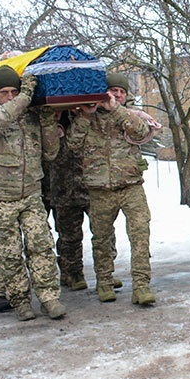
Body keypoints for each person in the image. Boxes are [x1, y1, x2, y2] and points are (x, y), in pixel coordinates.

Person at [0, 65, 66, 321]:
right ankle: (21, 301)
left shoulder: (28, 115)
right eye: (5, 92)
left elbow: (49, 153)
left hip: (30, 193)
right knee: (10, 252)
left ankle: (49, 297)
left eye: (15, 91)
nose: (12, 97)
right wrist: (26, 96)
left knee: (42, 246)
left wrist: (47, 122)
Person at [68, 72, 159, 306]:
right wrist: (87, 116)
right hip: (100, 189)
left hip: (131, 186)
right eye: (113, 91)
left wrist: (116, 110)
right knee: (102, 238)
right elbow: (72, 143)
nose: (117, 94)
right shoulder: (87, 115)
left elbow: (141, 132)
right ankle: (105, 282)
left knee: (140, 235)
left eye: (121, 92)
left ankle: (141, 286)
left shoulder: (129, 115)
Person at [44, 110, 92, 292]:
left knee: (103, 233)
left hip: (89, 184)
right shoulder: (52, 118)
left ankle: (105, 273)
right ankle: (72, 273)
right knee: (69, 236)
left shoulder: (88, 114)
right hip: (61, 187)